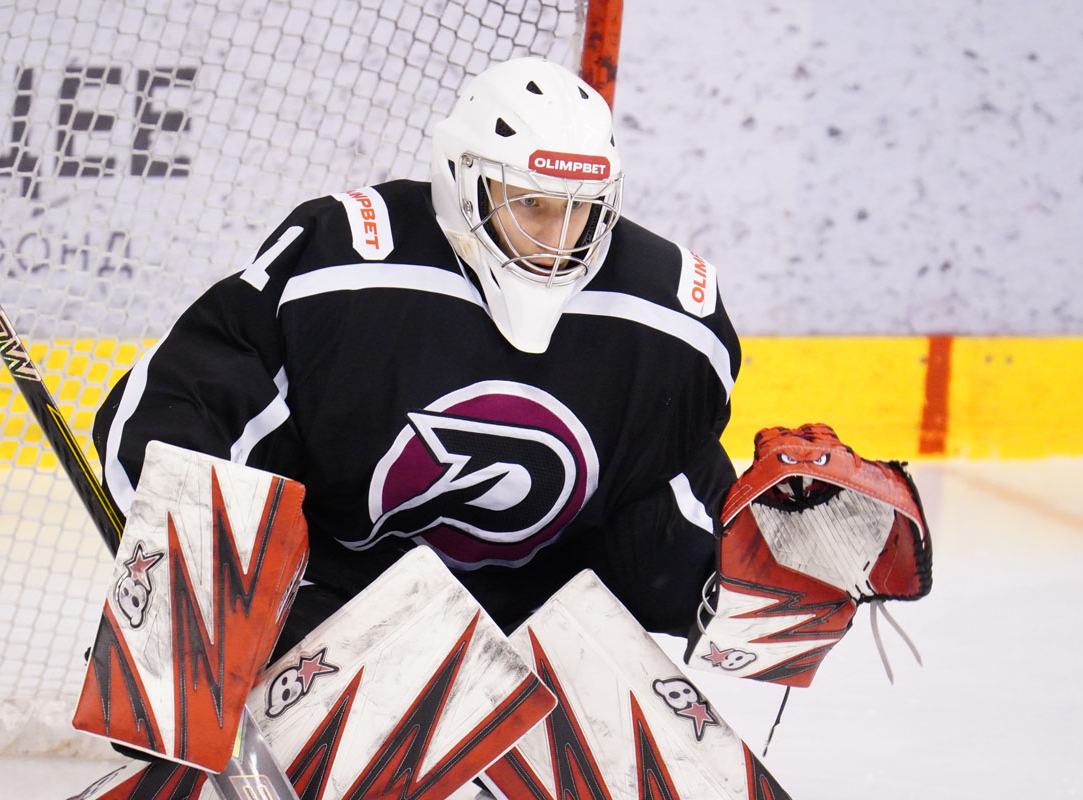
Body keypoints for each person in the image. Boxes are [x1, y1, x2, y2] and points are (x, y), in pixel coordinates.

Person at [92, 56, 740, 655]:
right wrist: (190, 563)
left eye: (580, 209)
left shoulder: (670, 321)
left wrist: (756, 555)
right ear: (463, 181)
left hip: (542, 635)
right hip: (330, 605)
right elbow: (192, 400)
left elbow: (670, 495)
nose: (557, 239)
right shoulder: (342, 266)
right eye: (530, 204)